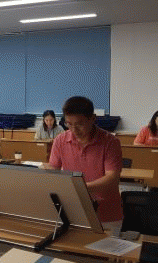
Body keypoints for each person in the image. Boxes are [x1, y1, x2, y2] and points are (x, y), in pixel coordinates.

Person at [43, 96, 123, 227]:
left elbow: (112, 178)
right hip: (74, 212)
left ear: (93, 118)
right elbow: (54, 170)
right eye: (69, 124)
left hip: (106, 214)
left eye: (79, 124)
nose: (74, 130)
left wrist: (81, 188)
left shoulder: (110, 142)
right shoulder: (60, 140)